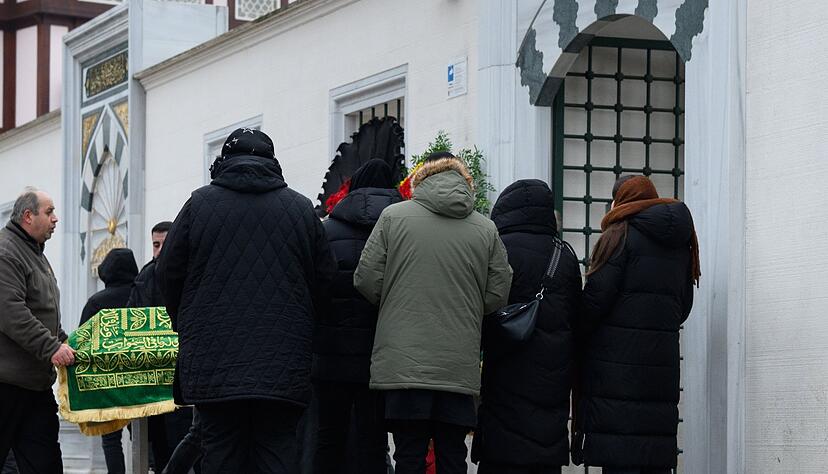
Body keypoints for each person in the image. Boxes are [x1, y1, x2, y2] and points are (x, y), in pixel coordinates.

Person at [157, 128, 336, 474]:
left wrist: (187, 322)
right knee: (278, 455)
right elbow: (325, 280)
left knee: (221, 455)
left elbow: (169, 273)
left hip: (213, 365)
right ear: (273, 161)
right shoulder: (300, 210)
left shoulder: (198, 205)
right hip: (283, 365)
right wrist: (303, 329)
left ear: (223, 161)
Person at [354, 156, 512, 474]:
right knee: (453, 454)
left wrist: (395, 301)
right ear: (466, 184)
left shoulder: (393, 217)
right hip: (457, 361)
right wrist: (467, 309)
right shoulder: (485, 228)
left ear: (420, 181)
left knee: (409, 454)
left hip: (404, 359)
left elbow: (366, 279)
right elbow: (498, 292)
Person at [573, 175, 699, 473]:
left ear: (619, 200)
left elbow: (594, 303)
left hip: (617, 373)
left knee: (621, 459)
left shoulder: (619, 234)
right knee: (651, 457)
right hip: (660, 369)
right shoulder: (681, 242)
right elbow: (683, 305)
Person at [472, 179, 582, 474]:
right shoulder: (565, 255)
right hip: (552, 374)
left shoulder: (498, 248)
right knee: (542, 451)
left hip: (506, 365)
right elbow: (576, 316)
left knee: (503, 449)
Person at [312, 159, 402, 474]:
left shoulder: (327, 229)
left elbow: (316, 288)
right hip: (381, 355)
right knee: (374, 440)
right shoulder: (401, 229)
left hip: (331, 353)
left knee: (329, 437)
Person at [0, 187, 72, 473]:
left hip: (35, 386)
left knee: (45, 465)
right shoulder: (6, 252)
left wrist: (66, 340)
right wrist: (52, 347)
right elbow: (11, 312)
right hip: (6, 386)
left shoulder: (35, 254)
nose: (55, 219)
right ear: (28, 216)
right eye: (49, 211)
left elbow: (42, 312)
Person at [127, 220, 192, 472]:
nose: (160, 250)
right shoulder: (145, 277)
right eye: (156, 244)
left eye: (165, 243)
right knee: (161, 448)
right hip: (153, 381)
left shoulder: (189, 272)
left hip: (183, 378)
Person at [80, 248, 139, 474]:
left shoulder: (97, 303)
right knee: (143, 435)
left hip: (108, 382)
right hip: (140, 382)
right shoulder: (141, 295)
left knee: (111, 440)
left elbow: (82, 342)